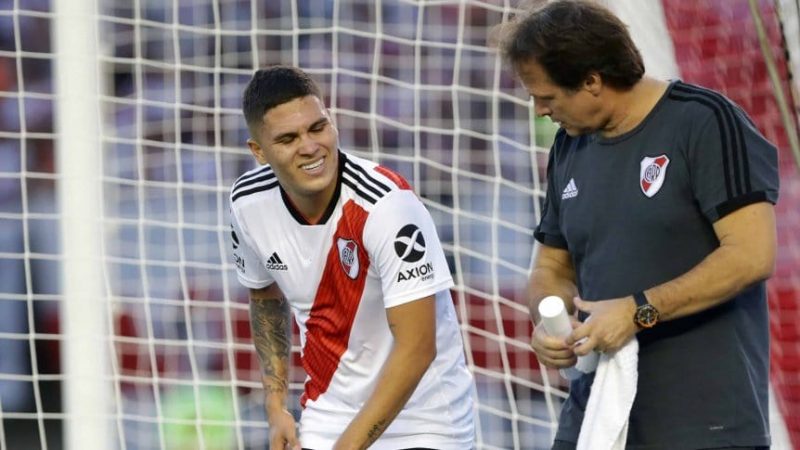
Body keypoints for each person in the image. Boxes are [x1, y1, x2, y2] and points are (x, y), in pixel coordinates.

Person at [500, 1, 779, 449]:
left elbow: (751, 255)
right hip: (596, 414)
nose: (540, 111)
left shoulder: (705, 121)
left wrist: (638, 310)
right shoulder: (569, 148)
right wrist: (549, 319)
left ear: (592, 81)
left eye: (547, 97)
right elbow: (551, 268)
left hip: (705, 423)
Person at [229, 65, 475, 450]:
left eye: (317, 128)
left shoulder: (388, 205)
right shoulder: (247, 203)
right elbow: (265, 297)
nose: (310, 147)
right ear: (258, 151)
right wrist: (276, 405)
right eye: (288, 138)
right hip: (329, 414)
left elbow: (417, 348)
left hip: (426, 421)